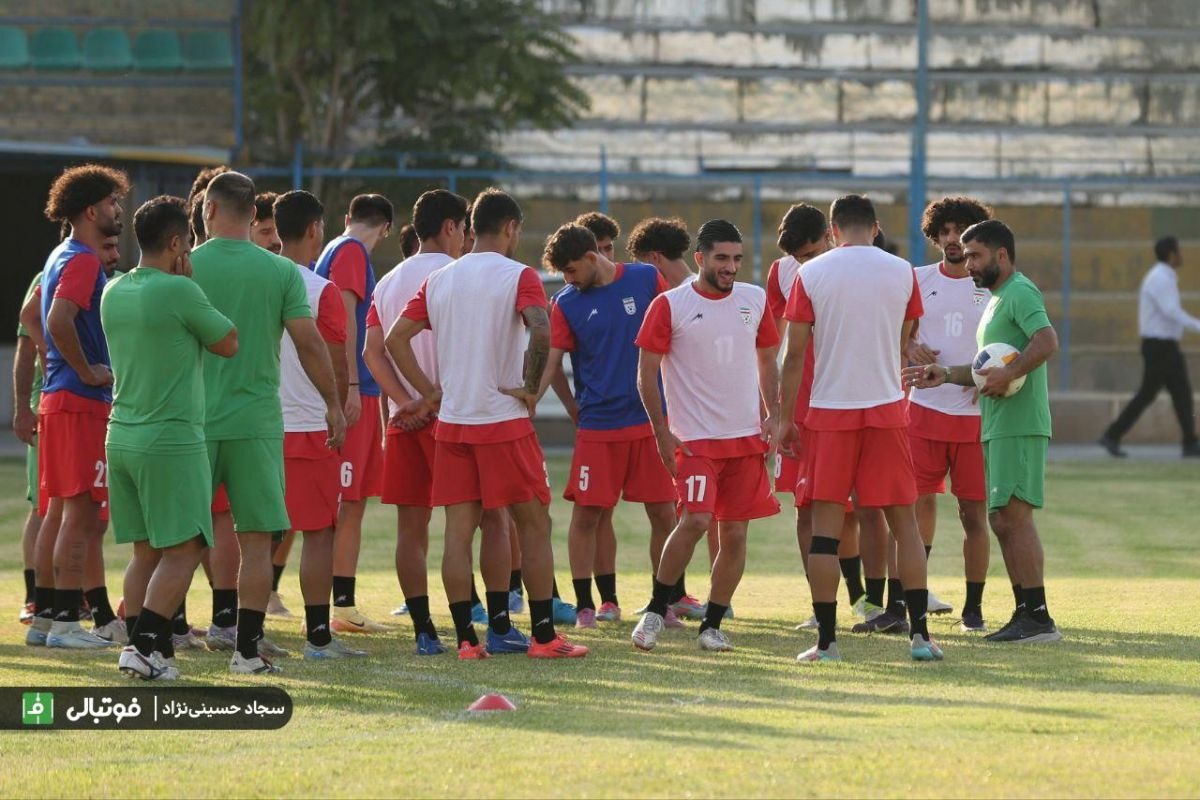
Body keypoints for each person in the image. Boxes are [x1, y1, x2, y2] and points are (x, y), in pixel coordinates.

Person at [386, 187, 588, 659]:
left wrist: (429, 393)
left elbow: (396, 340)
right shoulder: (519, 275)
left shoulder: (440, 278)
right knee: (533, 525)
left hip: (454, 423)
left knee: (457, 534)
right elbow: (541, 328)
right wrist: (531, 388)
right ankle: (542, 637)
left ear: (472, 227)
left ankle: (465, 641)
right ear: (512, 228)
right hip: (502, 420)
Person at [192, 171, 346, 674]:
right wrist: (335, 403)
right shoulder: (281, 273)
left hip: (192, 422)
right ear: (257, 216)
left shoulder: (183, 266)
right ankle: (248, 650)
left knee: (177, 540)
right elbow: (311, 344)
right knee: (261, 541)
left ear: (209, 210)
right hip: (260, 420)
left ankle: (150, 641)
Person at [779, 194, 941, 663]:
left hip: (830, 411)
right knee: (904, 526)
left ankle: (827, 642)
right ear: (874, 228)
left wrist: (786, 417)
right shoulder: (903, 271)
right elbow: (906, 337)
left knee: (826, 532)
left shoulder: (810, 274)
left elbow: (794, 358)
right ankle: (920, 638)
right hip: (888, 410)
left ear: (832, 231)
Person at [906, 219, 1062, 644]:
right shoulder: (995, 300)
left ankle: (1039, 617)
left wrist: (1009, 371)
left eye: (976, 255)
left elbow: (1046, 342)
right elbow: (984, 371)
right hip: (998, 424)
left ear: (1002, 256)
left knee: (1014, 516)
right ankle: (1025, 612)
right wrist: (947, 374)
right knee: (1001, 519)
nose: (968, 262)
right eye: (967, 254)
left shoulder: (1020, 291)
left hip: (1019, 423)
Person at [103, 195, 239, 680]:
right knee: (186, 548)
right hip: (170, 438)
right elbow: (228, 342)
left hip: (121, 434)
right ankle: (143, 648)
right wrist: (189, 286)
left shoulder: (113, 289)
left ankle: (146, 646)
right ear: (178, 242)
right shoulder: (181, 291)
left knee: (146, 552)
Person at [629, 219, 781, 653]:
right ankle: (657, 612)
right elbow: (646, 376)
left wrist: (773, 414)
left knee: (735, 534)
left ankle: (712, 625)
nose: (730, 267)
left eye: (736, 258)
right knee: (694, 521)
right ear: (700, 259)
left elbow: (767, 361)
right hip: (695, 440)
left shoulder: (754, 299)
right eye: (721, 258)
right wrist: (661, 432)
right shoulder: (669, 305)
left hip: (745, 440)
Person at [538, 223, 677, 629]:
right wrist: (552, 402)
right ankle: (588, 605)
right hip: (598, 425)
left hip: (649, 421)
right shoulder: (566, 302)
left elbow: (678, 331)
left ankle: (660, 604)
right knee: (587, 515)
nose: (568, 280)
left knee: (664, 514)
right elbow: (553, 362)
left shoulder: (646, 278)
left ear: (590, 258)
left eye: (571, 271)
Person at [26, 165, 129, 650]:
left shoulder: (60, 254)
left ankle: (47, 618)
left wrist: (58, 365)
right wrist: (86, 369)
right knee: (83, 514)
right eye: (113, 203)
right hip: (79, 401)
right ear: (92, 210)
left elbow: (33, 317)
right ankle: (67, 621)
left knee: (60, 511)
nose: (119, 211)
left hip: (58, 399)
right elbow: (55, 318)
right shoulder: (85, 259)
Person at [364, 188, 468, 655]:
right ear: (450, 227)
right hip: (456, 416)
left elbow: (373, 353)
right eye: (464, 229)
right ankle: (476, 624)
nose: (466, 239)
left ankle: (424, 629)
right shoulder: (458, 276)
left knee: (412, 529)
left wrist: (405, 402)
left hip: (402, 422)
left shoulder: (386, 282)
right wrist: (430, 399)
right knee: (472, 524)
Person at [270, 189, 368, 659]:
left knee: (249, 531)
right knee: (318, 531)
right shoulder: (318, 288)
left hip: (259, 422)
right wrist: (340, 401)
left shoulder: (256, 279)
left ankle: (235, 628)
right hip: (307, 423)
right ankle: (317, 638)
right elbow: (333, 357)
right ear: (314, 230)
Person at [765, 204, 871, 631]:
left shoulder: (858, 268)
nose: (805, 265)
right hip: (800, 403)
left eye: (811, 253)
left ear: (831, 236)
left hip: (847, 398)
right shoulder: (781, 273)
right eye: (799, 259)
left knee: (853, 507)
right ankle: (820, 603)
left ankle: (868, 596)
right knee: (805, 507)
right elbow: (769, 342)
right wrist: (775, 409)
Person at [907, 196, 994, 631]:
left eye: (961, 230)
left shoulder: (993, 285)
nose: (952, 239)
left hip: (975, 416)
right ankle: (914, 600)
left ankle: (973, 608)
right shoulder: (917, 279)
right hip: (923, 411)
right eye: (944, 231)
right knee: (917, 506)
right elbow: (894, 333)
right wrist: (907, 346)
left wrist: (994, 376)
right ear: (935, 234)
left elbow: (1010, 345)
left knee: (973, 515)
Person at [315, 194, 393, 634]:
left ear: (347, 216)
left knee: (347, 502)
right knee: (349, 504)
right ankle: (341, 606)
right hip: (352, 389)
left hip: (350, 387)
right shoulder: (350, 251)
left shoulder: (334, 248)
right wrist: (346, 385)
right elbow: (343, 318)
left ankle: (337, 602)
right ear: (384, 229)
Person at [625, 215, 705, 622]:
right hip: (681, 427)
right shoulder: (667, 299)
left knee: (698, 517)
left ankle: (681, 597)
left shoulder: (688, 297)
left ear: (655, 258)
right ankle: (675, 594)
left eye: (642, 263)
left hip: (697, 430)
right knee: (679, 514)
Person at [1100, 235, 1200, 458]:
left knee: (1180, 392)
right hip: (1160, 347)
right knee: (1153, 393)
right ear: (1171, 254)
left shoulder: (1163, 277)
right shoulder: (1160, 278)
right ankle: (1112, 435)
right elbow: (1171, 311)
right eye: (1179, 251)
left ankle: (1190, 442)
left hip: (1164, 346)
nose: (1181, 255)